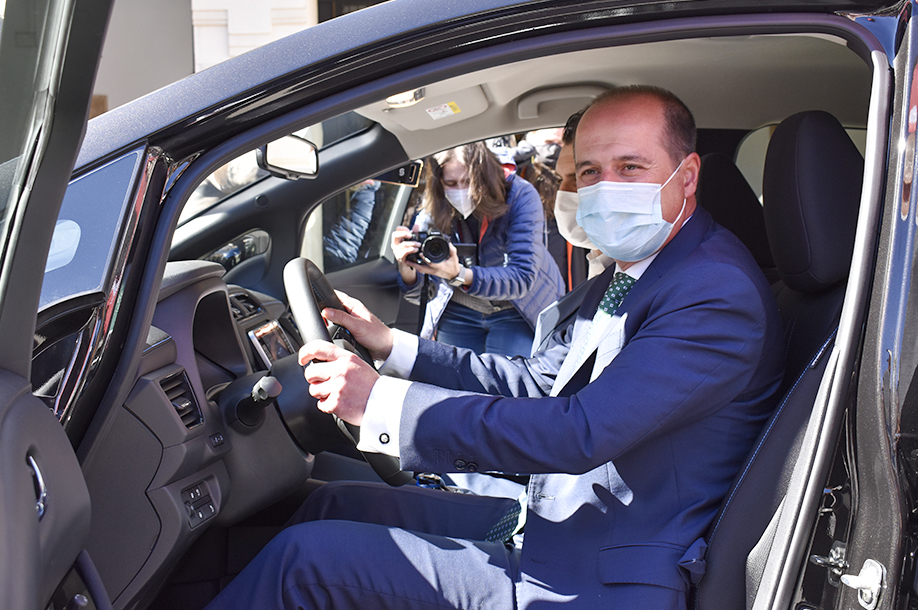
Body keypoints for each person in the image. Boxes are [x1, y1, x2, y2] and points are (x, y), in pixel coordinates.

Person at [204, 85, 786, 610]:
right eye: (588, 172)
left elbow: (576, 433)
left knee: (303, 563)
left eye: (630, 167)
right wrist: (395, 348)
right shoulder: (644, 268)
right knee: (329, 505)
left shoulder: (714, 292)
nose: (604, 188)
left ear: (686, 176)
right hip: (560, 520)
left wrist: (380, 405)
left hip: (600, 575)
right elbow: (539, 384)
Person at [392, 141, 564, 357]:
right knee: (454, 382)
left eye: (467, 182)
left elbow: (522, 278)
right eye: (451, 183)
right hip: (458, 309)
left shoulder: (520, 195)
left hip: (516, 308)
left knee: (505, 383)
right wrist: (408, 271)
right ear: (439, 184)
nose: (460, 191)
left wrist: (458, 275)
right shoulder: (435, 205)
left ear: (484, 176)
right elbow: (423, 294)